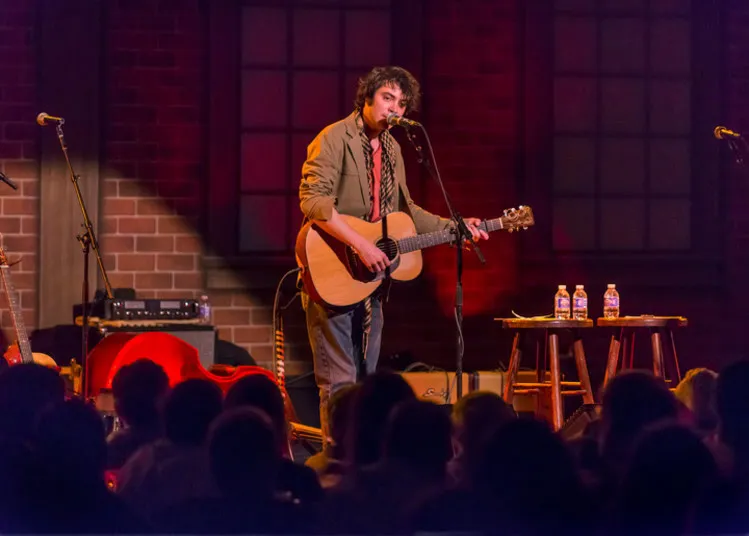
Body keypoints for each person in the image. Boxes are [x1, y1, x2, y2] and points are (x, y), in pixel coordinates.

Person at [298, 65, 489, 439]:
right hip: (334, 266)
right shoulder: (334, 138)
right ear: (367, 98)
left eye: (401, 104)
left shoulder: (392, 149)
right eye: (387, 99)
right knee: (339, 382)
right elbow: (313, 200)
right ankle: (339, 465)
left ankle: (365, 461)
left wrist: (455, 227)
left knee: (367, 384)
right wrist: (361, 243)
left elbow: (407, 211)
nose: (395, 110)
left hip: (370, 282)